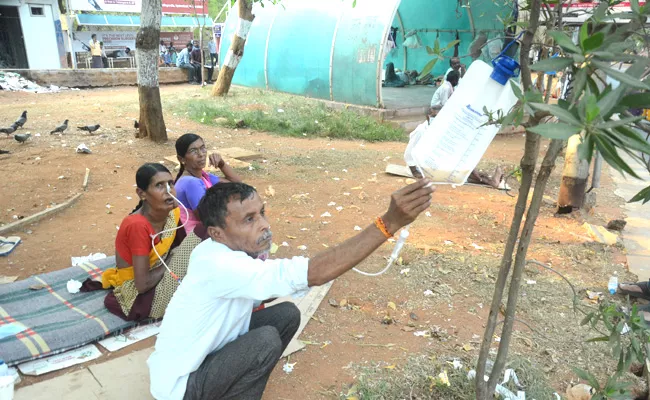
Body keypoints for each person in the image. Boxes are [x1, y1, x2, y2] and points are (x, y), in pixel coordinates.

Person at [148, 180, 434, 400]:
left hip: (205, 356)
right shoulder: (221, 264)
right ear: (217, 232)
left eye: (261, 212)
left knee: (286, 314)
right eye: (249, 220)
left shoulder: (217, 250)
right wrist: (390, 223)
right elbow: (314, 273)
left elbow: (274, 283)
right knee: (265, 341)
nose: (263, 224)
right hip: (181, 387)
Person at [82, 163, 205, 321]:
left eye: (170, 184)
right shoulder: (137, 226)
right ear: (142, 194)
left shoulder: (172, 213)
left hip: (162, 278)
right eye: (159, 185)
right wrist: (173, 259)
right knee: (202, 232)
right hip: (141, 299)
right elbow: (142, 285)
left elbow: (177, 247)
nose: (169, 191)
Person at [174, 133, 242, 233]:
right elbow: (207, 219)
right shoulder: (191, 183)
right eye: (193, 151)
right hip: (196, 241)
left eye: (202, 148)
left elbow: (237, 185)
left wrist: (221, 164)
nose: (201, 154)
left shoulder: (203, 177)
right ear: (181, 159)